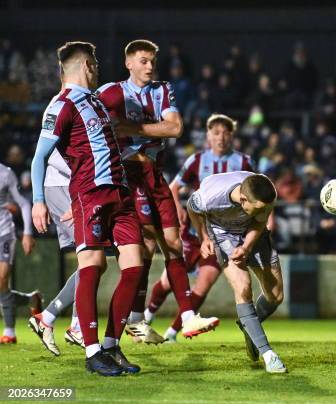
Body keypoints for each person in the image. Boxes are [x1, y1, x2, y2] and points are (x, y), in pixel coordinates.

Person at [30, 41, 144, 376]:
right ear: (86, 65)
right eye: (95, 63)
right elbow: (39, 157)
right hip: (90, 194)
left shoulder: (94, 102)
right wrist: (39, 200)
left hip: (120, 194)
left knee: (135, 268)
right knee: (91, 266)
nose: (98, 69)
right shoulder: (62, 104)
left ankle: (110, 345)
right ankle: (93, 352)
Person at [96, 39, 219, 344]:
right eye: (143, 61)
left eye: (152, 61)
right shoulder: (110, 92)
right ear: (129, 63)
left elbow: (175, 128)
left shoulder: (163, 90)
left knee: (171, 242)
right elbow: (92, 125)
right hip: (130, 174)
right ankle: (130, 320)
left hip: (155, 174)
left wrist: (130, 128)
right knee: (149, 244)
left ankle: (183, 318)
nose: (150, 66)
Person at [145, 113, 254, 342]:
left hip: (221, 237)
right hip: (193, 233)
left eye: (225, 133)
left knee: (204, 284)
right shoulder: (196, 160)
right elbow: (173, 188)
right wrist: (178, 209)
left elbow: (257, 194)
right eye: (216, 133)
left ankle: (172, 333)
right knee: (167, 282)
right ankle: (146, 318)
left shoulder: (244, 162)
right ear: (208, 136)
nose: (221, 137)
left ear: (232, 136)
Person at [187, 171, 287, 373]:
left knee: (275, 296)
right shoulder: (209, 197)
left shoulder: (266, 193)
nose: (262, 211)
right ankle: (269, 355)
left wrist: (247, 247)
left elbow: (260, 221)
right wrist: (203, 237)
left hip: (253, 233)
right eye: (256, 208)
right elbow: (191, 207)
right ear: (242, 199)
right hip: (223, 233)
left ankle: (249, 325)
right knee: (243, 288)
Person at [29, 148, 84, 356]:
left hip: (79, 186)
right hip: (62, 185)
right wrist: (38, 200)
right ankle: (77, 326)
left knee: (93, 260)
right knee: (91, 257)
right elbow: (39, 156)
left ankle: (47, 318)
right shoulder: (58, 113)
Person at [0, 163, 37, 344]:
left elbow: (22, 202)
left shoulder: (5, 173)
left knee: (1, 279)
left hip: (4, 233)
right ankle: (32, 299)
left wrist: (28, 233)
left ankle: (9, 332)